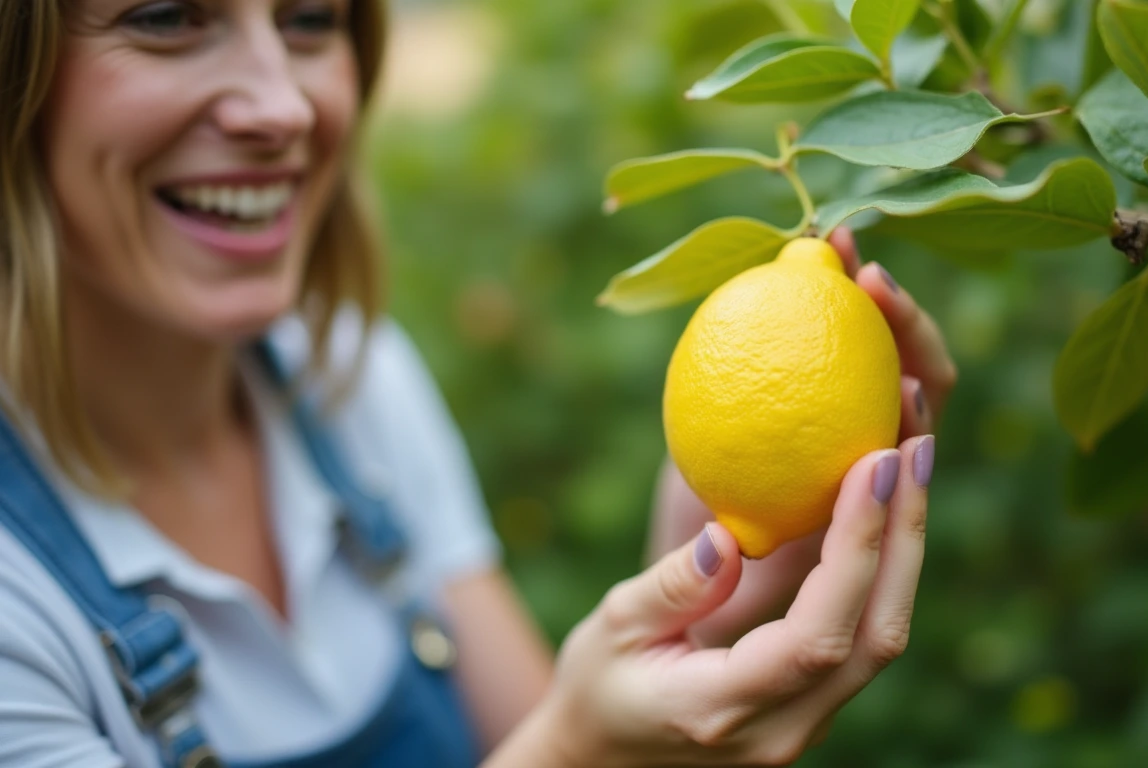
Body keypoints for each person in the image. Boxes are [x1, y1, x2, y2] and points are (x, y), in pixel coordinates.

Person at [0, 0, 957, 765]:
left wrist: (708, 611)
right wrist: (581, 750)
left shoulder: (353, 387)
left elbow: (530, 731)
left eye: (309, 20)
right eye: (167, 17)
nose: (284, 105)